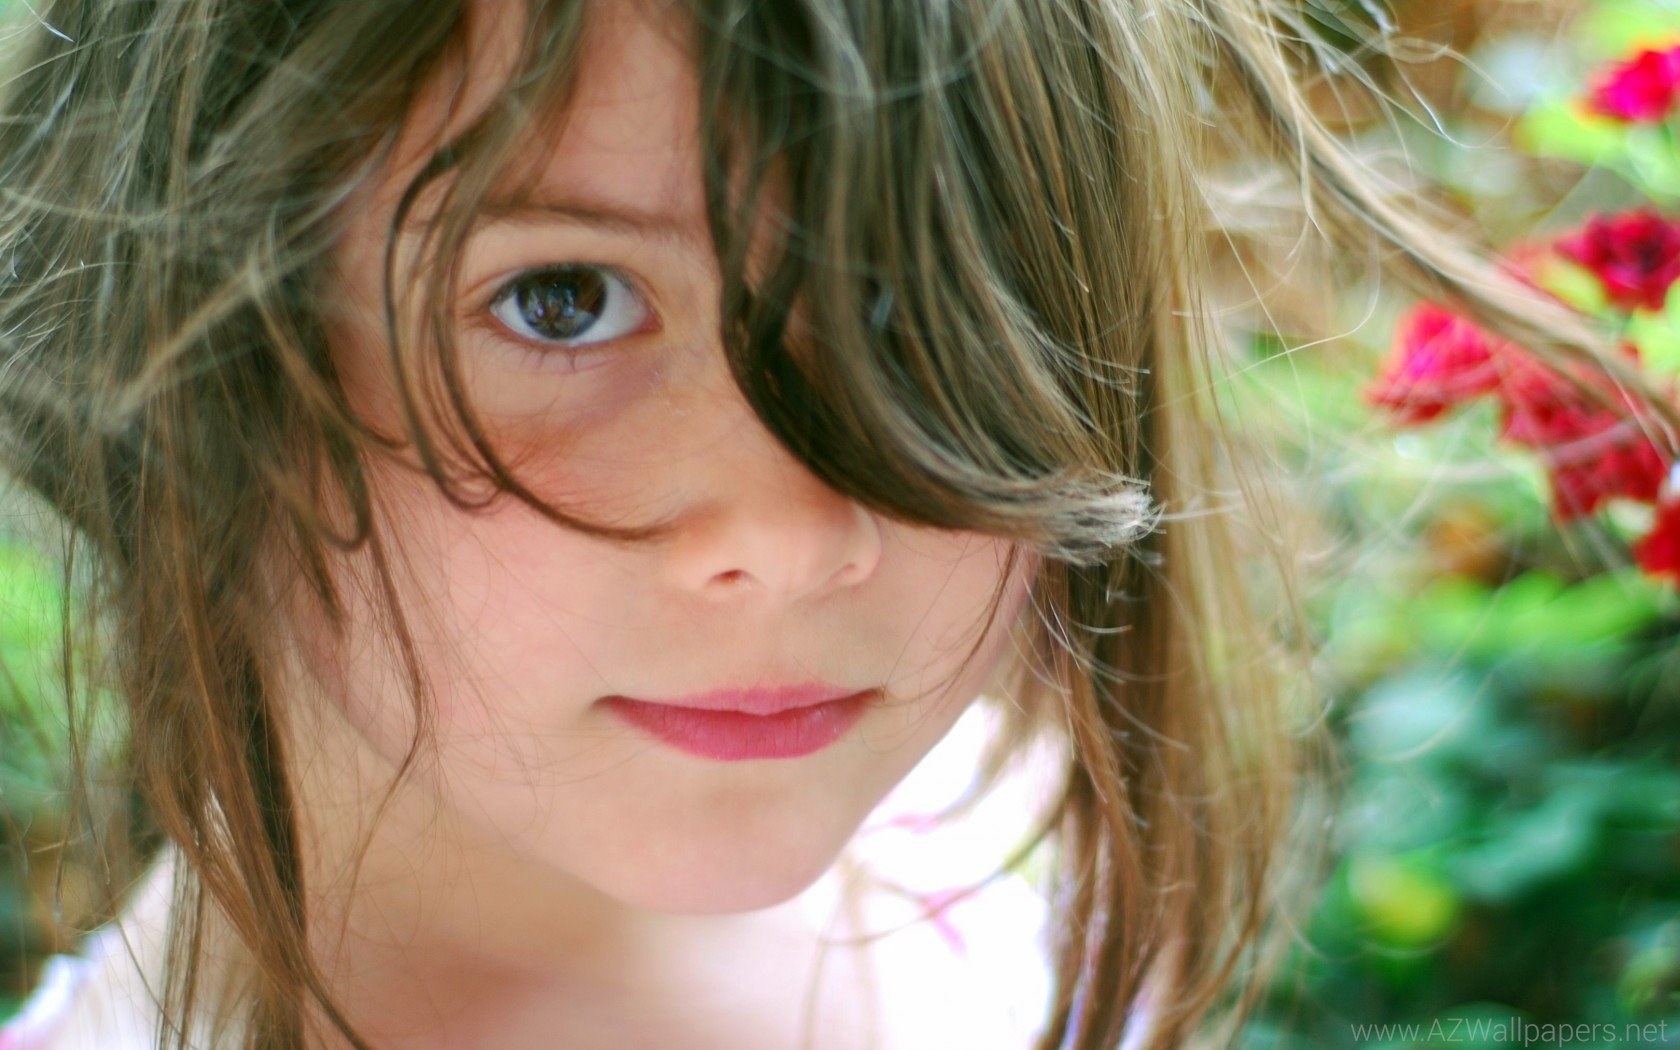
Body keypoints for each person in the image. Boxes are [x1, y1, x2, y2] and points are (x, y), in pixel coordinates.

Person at [0, 0, 1606, 1047]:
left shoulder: (997, 838)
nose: (801, 531)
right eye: (563, 300)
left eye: (916, 304)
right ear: (182, 342)